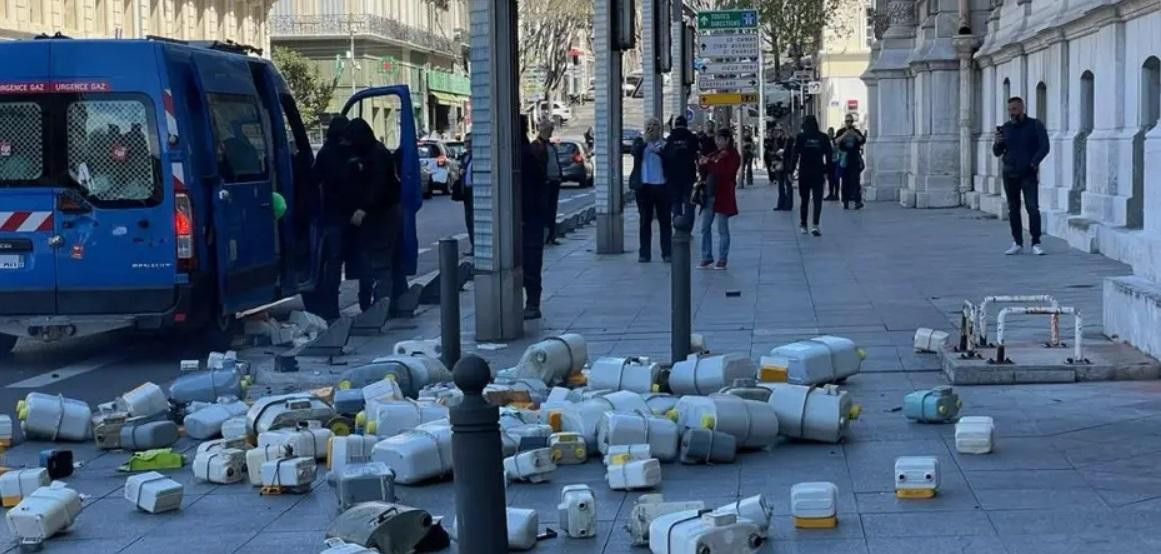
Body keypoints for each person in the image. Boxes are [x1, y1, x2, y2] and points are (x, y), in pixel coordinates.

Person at [345, 118, 403, 310]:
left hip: (382, 215)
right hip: (377, 215)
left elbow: (379, 187)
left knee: (380, 263)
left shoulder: (377, 155)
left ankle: (380, 306)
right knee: (377, 262)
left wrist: (363, 209)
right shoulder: (372, 151)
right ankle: (380, 303)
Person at [303, 116, 354, 321]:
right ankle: (336, 305)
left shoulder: (325, 153)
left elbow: (313, 179)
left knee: (330, 263)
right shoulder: (347, 153)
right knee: (337, 262)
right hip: (345, 215)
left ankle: (329, 305)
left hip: (330, 216)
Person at [993, 96, 1050, 255]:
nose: (1012, 113)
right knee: (1013, 208)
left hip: (1028, 174)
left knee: (1032, 208)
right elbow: (997, 152)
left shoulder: (1035, 125)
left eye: (1015, 109)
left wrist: (1034, 163)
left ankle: (1036, 242)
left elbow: (1045, 146)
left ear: (1022, 108)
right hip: (1010, 173)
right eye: (1010, 110)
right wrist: (997, 142)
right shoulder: (1005, 128)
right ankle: (1017, 242)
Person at [629, 117, 671, 262]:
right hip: (644, 186)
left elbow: (671, 158)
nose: (652, 128)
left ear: (660, 129)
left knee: (665, 221)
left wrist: (660, 151)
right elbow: (634, 152)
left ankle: (667, 252)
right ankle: (644, 253)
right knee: (645, 221)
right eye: (649, 126)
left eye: (655, 126)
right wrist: (645, 141)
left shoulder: (665, 144)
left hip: (662, 186)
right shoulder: (640, 142)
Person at [698, 128, 741, 269]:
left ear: (727, 140)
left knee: (722, 229)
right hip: (710, 193)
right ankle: (706, 256)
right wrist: (703, 162)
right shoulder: (714, 154)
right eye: (716, 139)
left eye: (720, 139)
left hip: (723, 194)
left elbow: (725, 171)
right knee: (705, 227)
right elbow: (707, 168)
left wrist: (709, 163)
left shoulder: (733, 155)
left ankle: (722, 258)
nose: (717, 142)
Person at [521, 115, 549, 319]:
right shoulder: (529, 151)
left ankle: (532, 302)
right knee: (530, 259)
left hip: (529, 215)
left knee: (530, 258)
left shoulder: (528, 153)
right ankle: (531, 301)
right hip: (532, 214)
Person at [790, 115, 833, 237]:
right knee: (817, 200)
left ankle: (803, 225)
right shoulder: (823, 137)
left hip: (804, 172)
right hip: (818, 172)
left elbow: (795, 156)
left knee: (804, 200)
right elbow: (828, 157)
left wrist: (791, 171)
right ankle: (815, 225)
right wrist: (827, 172)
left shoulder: (801, 137)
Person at [663, 115, 701, 224]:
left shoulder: (670, 139)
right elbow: (697, 154)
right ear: (686, 124)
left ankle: (677, 224)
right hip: (689, 175)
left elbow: (665, 156)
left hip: (673, 176)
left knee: (676, 202)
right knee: (689, 202)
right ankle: (688, 226)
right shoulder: (692, 138)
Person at [533, 120, 563, 245]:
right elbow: (536, 165)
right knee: (544, 210)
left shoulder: (550, 145)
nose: (550, 131)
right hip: (545, 182)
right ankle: (544, 236)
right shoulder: (537, 145)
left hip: (554, 181)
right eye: (549, 129)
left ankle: (551, 235)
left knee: (552, 210)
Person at [836, 114, 866, 210]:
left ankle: (857, 201)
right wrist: (845, 135)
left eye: (850, 121)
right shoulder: (841, 131)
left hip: (854, 158)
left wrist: (854, 134)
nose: (849, 123)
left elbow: (862, 140)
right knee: (845, 180)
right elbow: (836, 141)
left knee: (856, 180)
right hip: (845, 159)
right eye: (847, 121)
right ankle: (845, 201)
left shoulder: (856, 131)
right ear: (845, 122)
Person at [768, 125, 794, 211]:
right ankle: (781, 204)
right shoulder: (777, 140)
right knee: (781, 185)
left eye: (780, 130)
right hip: (779, 164)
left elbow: (790, 153)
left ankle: (788, 204)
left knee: (788, 185)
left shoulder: (789, 140)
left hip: (787, 164)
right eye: (777, 130)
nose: (778, 132)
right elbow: (775, 151)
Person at [457, 135, 474, 249]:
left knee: (473, 218)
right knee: (468, 219)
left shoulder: (476, 156)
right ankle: (473, 244)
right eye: (465, 142)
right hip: (466, 191)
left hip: (474, 190)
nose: (467, 144)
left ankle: (476, 245)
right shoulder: (464, 157)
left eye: (469, 141)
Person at [824, 127, 840, 201]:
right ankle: (831, 193)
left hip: (835, 162)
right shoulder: (826, 141)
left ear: (833, 134)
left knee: (836, 178)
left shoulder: (835, 141)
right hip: (829, 162)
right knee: (830, 179)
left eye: (831, 133)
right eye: (829, 133)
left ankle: (836, 194)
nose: (829, 134)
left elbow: (836, 150)